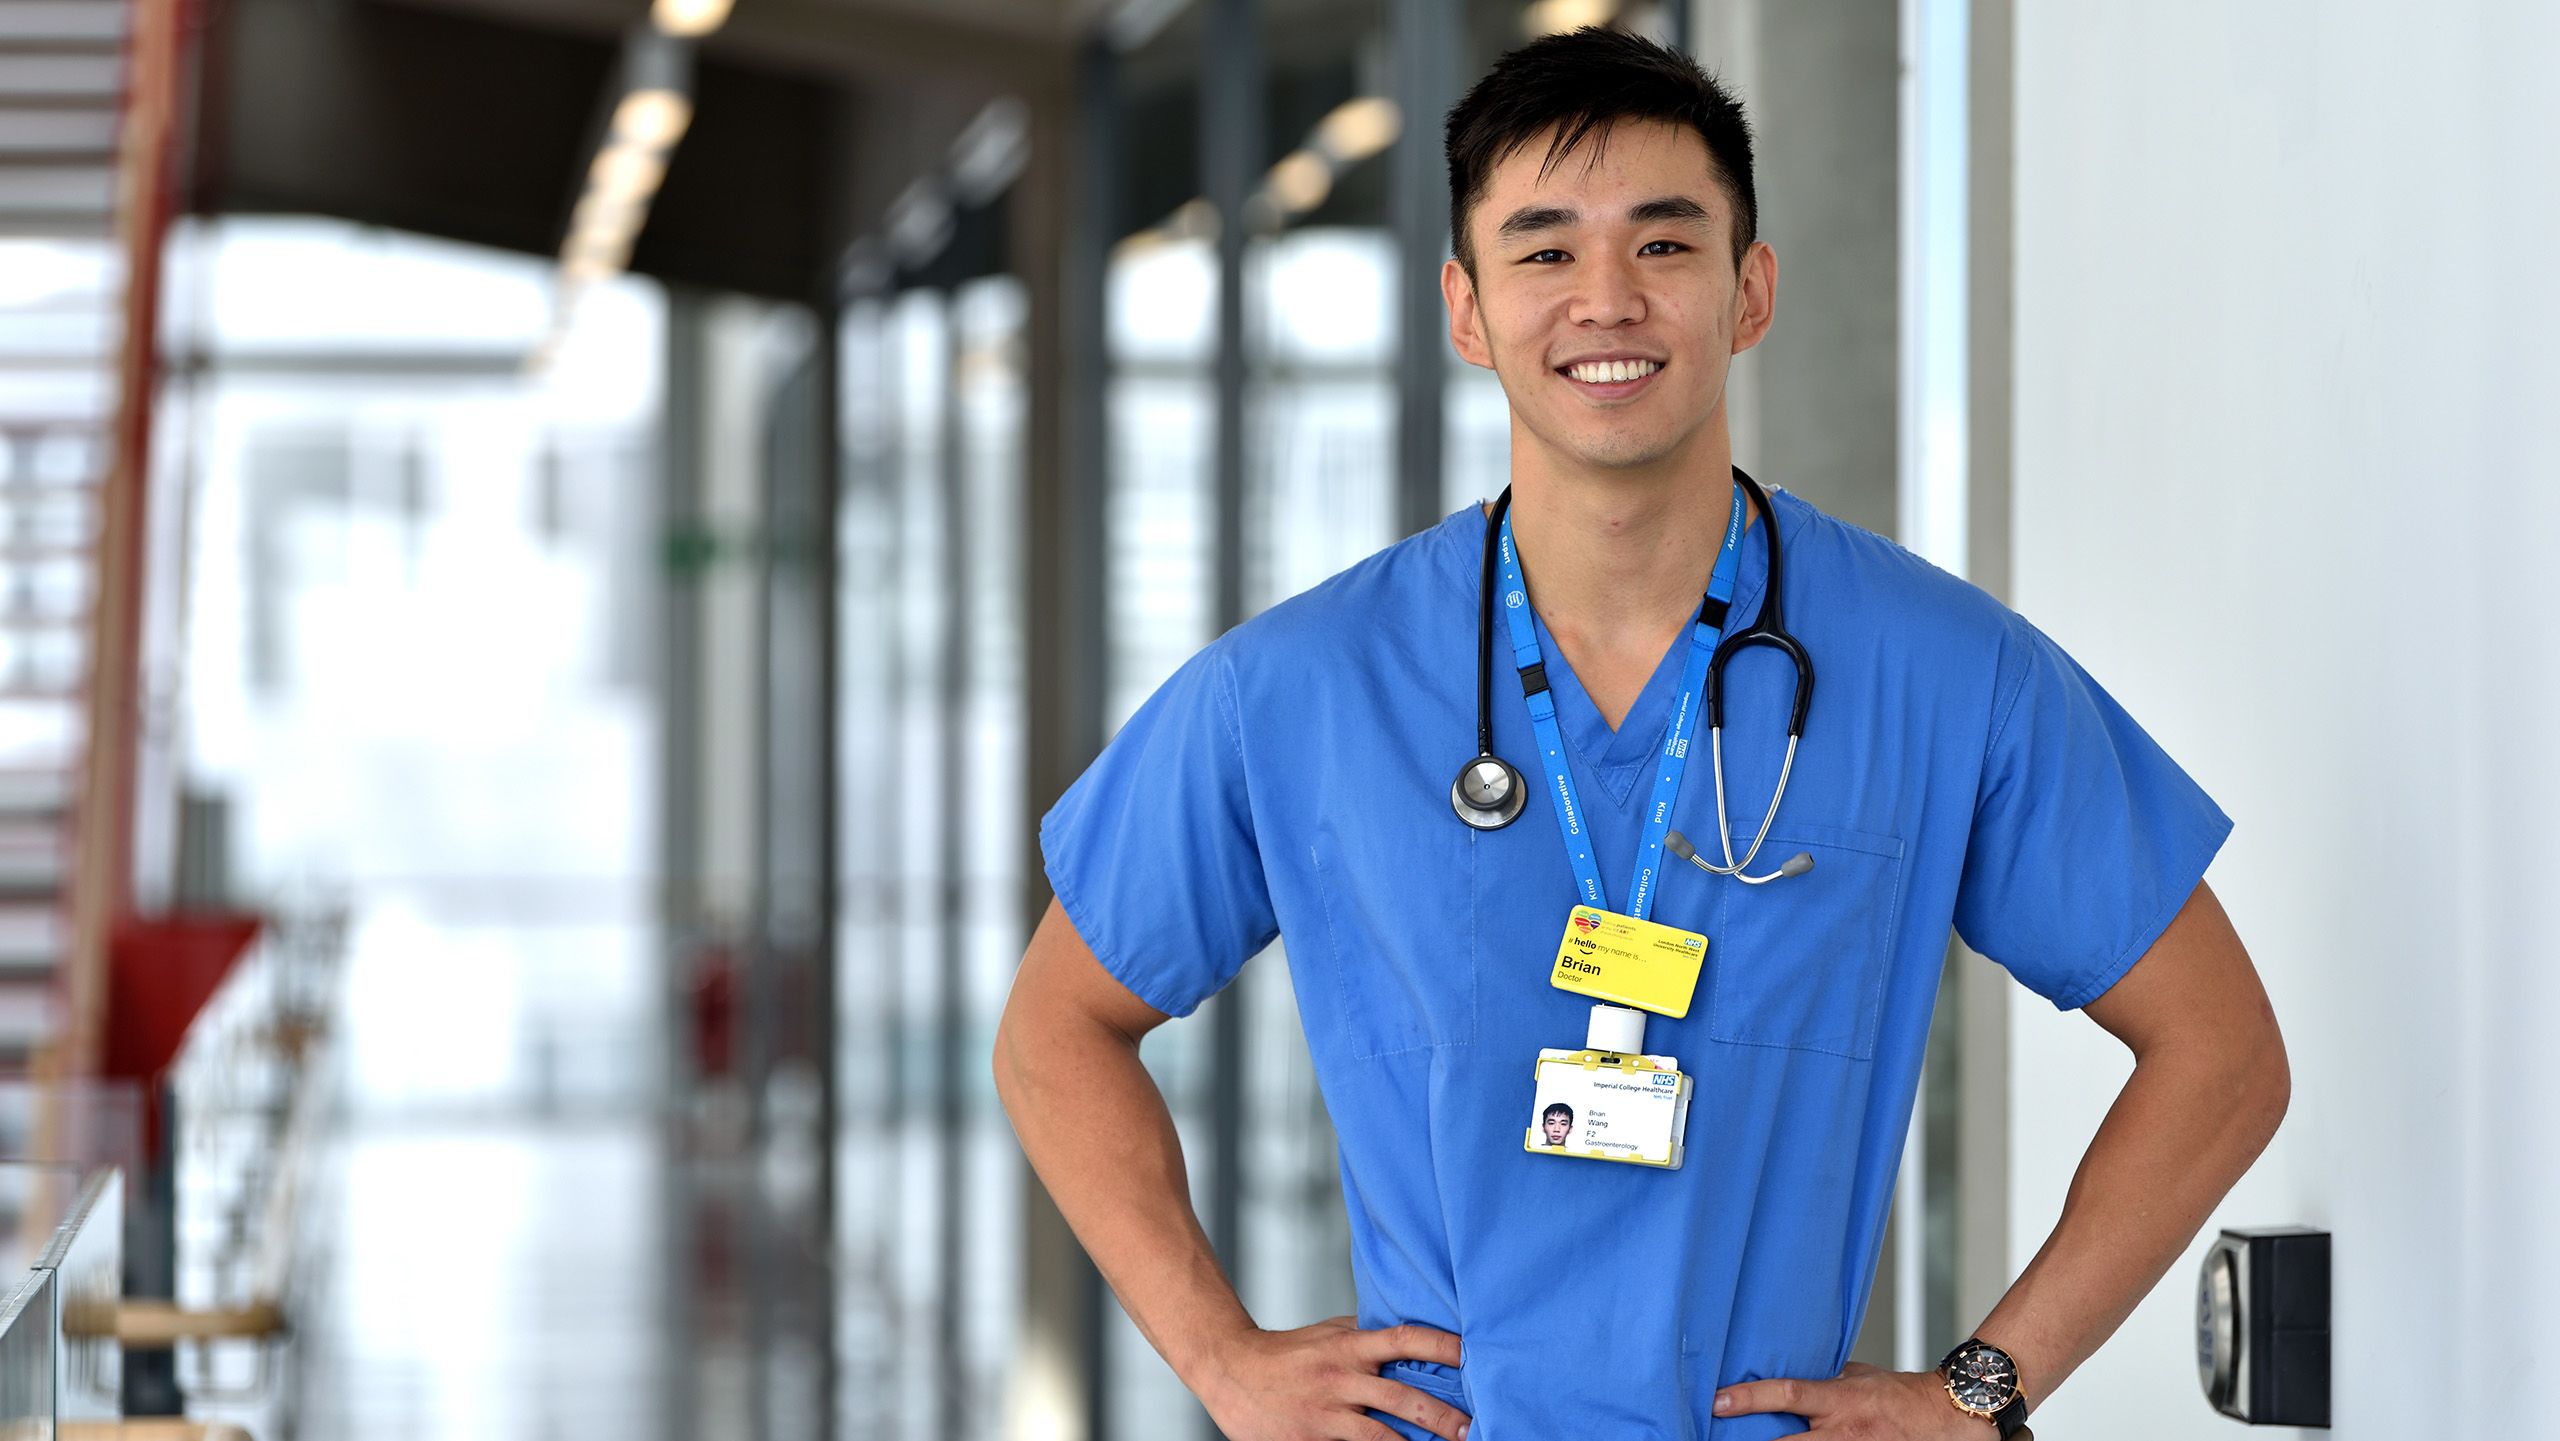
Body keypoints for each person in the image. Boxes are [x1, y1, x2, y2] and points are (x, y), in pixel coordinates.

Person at [993, 26, 2288, 1441]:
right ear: (1467, 310)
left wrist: (1983, 1386)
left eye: (1664, 246)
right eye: (1543, 250)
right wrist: (1221, 1357)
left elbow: (2221, 1050)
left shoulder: (1941, 670)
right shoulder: (1303, 688)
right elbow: (1056, 1028)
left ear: (1751, 290)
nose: (1605, 299)